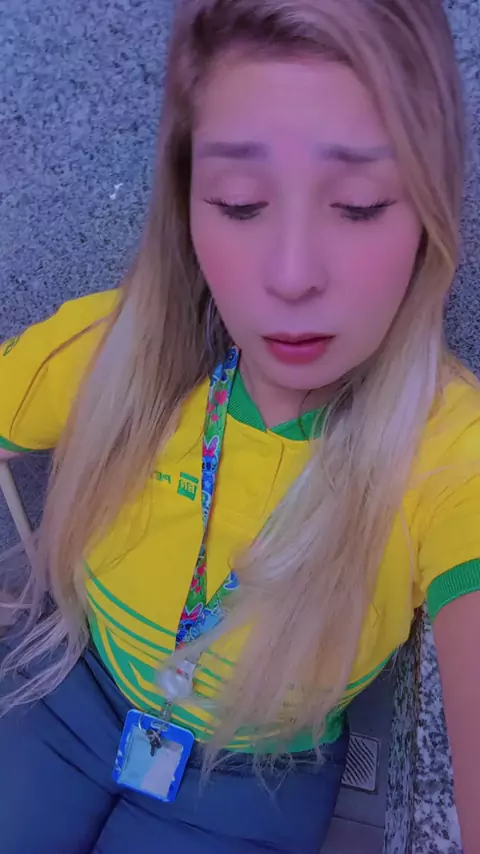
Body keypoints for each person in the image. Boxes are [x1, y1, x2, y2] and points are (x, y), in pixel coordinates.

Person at [0, 0, 479, 851]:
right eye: (241, 202)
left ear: (430, 215)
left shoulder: (451, 453)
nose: (292, 276)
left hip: (260, 770)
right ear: (187, 205)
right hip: (73, 693)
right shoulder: (107, 350)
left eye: (359, 204)